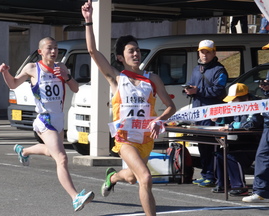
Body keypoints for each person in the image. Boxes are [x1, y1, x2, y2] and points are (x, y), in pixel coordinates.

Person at [81, 1, 176, 216]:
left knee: (133, 178)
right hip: (125, 139)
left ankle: (112, 177)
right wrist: (88, 21)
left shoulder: (152, 79)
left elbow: (170, 107)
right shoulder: (117, 78)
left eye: (138, 51)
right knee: (145, 178)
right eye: (131, 51)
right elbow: (92, 51)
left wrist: (159, 119)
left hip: (146, 139)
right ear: (120, 57)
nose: (136, 54)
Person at [0, 37, 94, 211]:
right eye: (49, 48)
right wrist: (5, 72)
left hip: (58, 119)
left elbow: (75, 88)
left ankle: (24, 150)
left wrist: (67, 77)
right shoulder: (32, 68)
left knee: (52, 152)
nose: (53, 51)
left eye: (56, 48)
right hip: (45, 120)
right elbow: (13, 84)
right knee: (62, 158)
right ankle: (75, 197)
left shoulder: (61, 67)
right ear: (40, 51)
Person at [184, 39, 228, 187]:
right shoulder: (196, 69)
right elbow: (193, 85)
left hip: (212, 113)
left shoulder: (219, 70)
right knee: (202, 145)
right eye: (202, 52)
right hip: (198, 112)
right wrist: (189, 91)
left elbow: (219, 91)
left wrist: (198, 91)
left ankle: (212, 176)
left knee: (212, 146)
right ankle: (205, 174)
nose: (204, 55)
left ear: (214, 53)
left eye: (208, 52)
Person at [211, 83, 263, 196]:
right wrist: (219, 118)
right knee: (220, 153)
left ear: (243, 97)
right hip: (240, 140)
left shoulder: (256, 105)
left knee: (231, 155)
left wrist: (231, 126)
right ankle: (223, 184)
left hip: (255, 142)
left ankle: (240, 187)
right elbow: (229, 118)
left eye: (234, 99)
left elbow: (252, 123)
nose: (231, 102)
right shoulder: (237, 105)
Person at [242, 71, 269, 203]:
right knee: (262, 156)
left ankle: (261, 191)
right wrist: (267, 89)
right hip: (268, 124)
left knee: (263, 156)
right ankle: (260, 191)